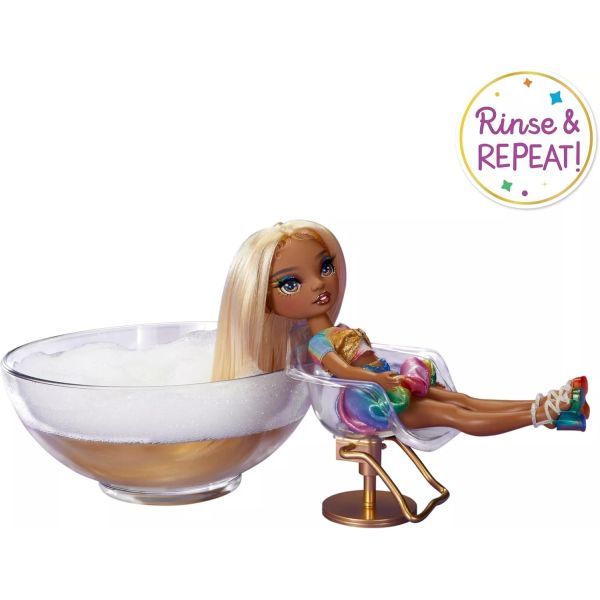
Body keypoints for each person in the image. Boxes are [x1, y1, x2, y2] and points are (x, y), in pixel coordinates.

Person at [212, 220, 589, 435]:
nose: (318, 285)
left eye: (325, 267)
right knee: (456, 416)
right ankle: (549, 412)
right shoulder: (317, 343)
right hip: (366, 401)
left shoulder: (338, 329)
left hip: (388, 383)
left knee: (463, 401)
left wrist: (389, 375)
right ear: (262, 299)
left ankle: (549, 403)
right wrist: (380, 380)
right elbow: (343, 371)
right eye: (291, 283)